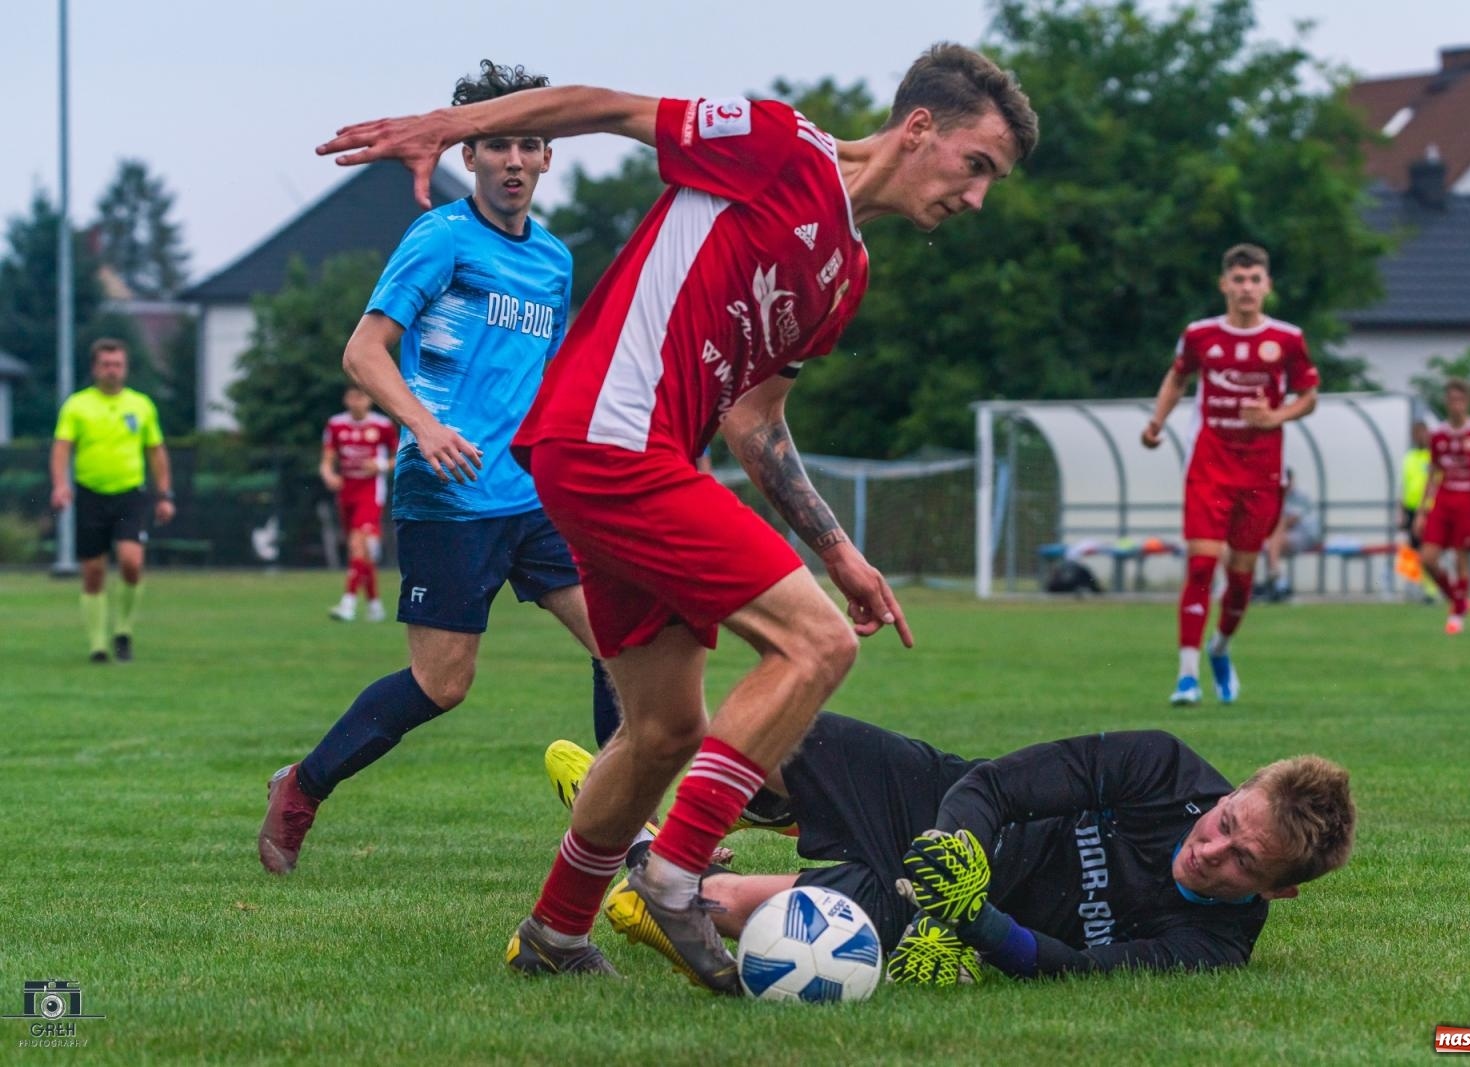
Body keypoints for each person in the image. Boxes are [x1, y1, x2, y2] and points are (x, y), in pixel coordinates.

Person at [316, 42, 1038, 989]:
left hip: (620, 462)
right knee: (817, 646)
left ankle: (556, 934)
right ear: (918, 130)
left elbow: (757, 422)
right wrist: (446, 128)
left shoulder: (845, 275)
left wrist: (840, 552)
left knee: (661, 727)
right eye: (975, 166)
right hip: (608, 438)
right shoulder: (785, 147)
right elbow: (607, 106)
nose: (976, 197)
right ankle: (676, 871)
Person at [259, 60, 621, 875]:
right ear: (469, 154)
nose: (516, 161)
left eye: (532, 142)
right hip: (448, 494)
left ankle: (626, 832)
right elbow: (364, 351)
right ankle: (303, 785)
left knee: (621, 646)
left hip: (532, 496)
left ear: (550, 155)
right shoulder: (441, 238)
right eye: (497, 145)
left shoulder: (555, 260)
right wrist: (425, 426)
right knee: (442, 683)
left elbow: (545, 378)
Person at [550, 712, 1354, 983]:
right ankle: (693, 824)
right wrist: (953, 848)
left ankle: (644, 854)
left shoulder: (1215, 946)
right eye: (1223, 821)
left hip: (965, 912)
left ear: (1277, 891)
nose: (1213, 848)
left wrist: (972, 919)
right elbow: (1000, 783)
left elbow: (1071, 971)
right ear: (1234, 789)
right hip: (950, 811)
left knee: (787, 930)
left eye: (1245, 861)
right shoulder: (1166, 767)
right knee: (803, 733)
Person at [1140, 244, 1319, 706]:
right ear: (1224, 285)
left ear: (1267, 286)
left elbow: (1309, 395)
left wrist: (1276, 416)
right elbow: (1177, 378)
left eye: (1254, 279)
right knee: (1201, 564)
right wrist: (1156, 423)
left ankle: (1220, 647)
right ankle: (1186, 675)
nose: (1246, 288)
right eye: (1237, 280)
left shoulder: (1288, 339)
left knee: (1241, 579)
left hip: (1261, 473)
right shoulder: (1200, 336)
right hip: (1210, 467)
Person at [49, 337, 176, 663]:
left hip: (130, 495)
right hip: (91, 494)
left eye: (117, 364)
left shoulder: (141, 405)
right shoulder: (77, 405)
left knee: (132, 562)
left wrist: (164, 495)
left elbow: (156, 452)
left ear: (126, 368)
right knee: (93, 571)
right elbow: (62, 448)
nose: (112, 371)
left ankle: (123, 631)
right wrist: (60, 485)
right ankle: (97, 645)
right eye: (106, 364)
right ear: (95, 368)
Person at [1413, 379, 1470, 634]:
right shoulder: (1438, 434)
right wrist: (1421, 511)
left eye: (1460, 400)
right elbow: (1433, 474)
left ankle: (1457, 617)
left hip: (1467, 499)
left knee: (1461, 556)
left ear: (1468, 402)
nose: (1456, 405)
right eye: (1452, 400)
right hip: (1442, 500)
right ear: (1446, 403)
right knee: (1427, 559)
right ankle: (1459, 601)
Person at [321, 383, 399, 622]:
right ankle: (375, 605)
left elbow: (401, 456)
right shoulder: (336, 425)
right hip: (346, 492)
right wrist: (328, 474)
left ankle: (348, 603)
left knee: (357, 545)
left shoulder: (382, 426)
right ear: (346, 399)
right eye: (352, 396)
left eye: (362, 397)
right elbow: (327, 459)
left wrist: (382, 465)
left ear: (370, 399)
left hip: (370, 492)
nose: (357, 401)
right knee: (361, 552)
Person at [1259, 468, 1319, 601]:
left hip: (1305, 535)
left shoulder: (1301, 496)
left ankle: (1276, 576)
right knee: (1271, 540)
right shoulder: (1276, 496)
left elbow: (1289, 521)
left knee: (1276, 531)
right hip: (1284, 538)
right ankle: (1277, 578)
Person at [1397, 419, 1437, 603]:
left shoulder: (1433, 457)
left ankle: (1431, 589)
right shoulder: (1410, 457)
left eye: (1423, 432)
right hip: (1411, 508)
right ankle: (1416, 586)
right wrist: (1401, 509)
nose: (1420, 436)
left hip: (1429, 509)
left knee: (1427, 549)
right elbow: (1404, 486)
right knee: (1412, 550)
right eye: (1416, 433)